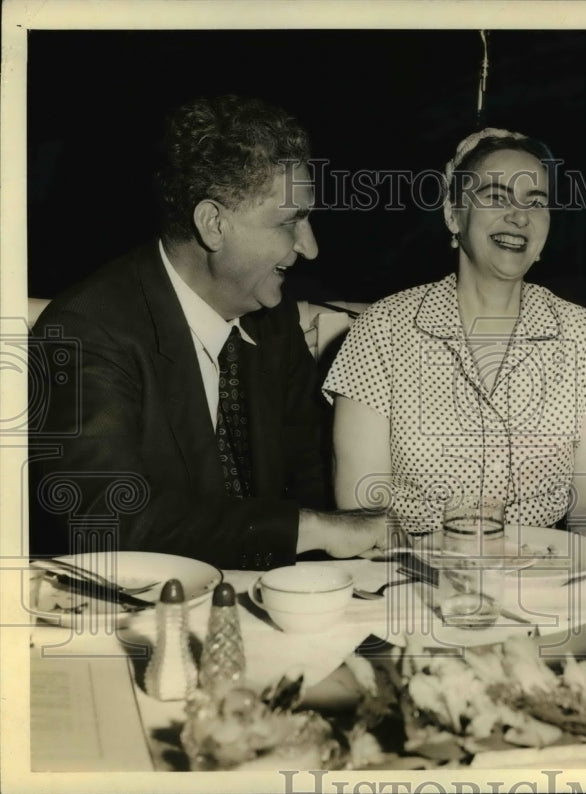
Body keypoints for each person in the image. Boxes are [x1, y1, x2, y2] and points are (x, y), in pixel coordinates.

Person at [30, 95, 385, 570]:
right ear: (213, 224)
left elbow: (309, 471)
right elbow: (106, 521)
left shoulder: (270, 315)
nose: (310, 247)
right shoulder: (85, 332)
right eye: (290, 221)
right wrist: (313, 528)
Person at [324, 128, 586, 544]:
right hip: (412, 579)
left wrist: (564, 588)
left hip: (544, 577)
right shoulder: (382, 332)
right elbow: (363, 509)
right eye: (495, 196)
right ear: (454, 215)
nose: (519, 216)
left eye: (535, 202)